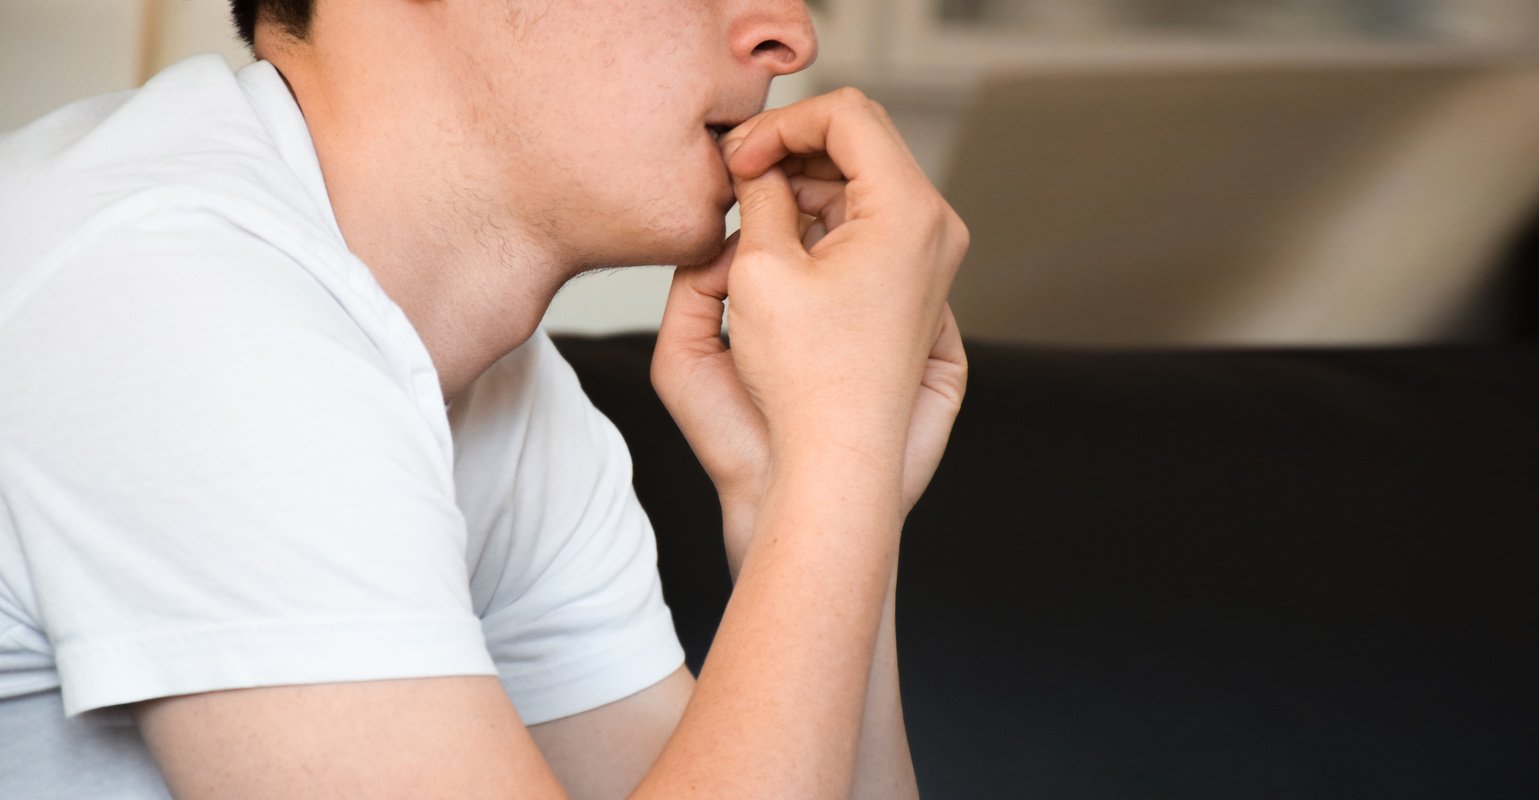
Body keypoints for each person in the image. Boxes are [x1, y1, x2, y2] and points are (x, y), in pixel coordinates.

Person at [0, 0, 968, 796]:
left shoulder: (501, 392)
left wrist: (809, 483)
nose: (787, 34)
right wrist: (840, 442)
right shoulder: (174, 296)